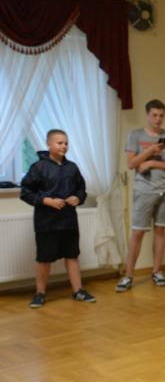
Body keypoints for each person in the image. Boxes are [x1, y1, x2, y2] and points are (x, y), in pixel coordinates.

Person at [19, 129, 96, 308]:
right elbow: (26, 192)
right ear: (49, 144)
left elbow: (81, 189)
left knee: (72, 256)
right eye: (59, 143)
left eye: (66, 143)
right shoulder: (38, 167)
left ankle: (78, 290)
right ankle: (40, 293)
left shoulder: (72, 168)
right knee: (44, 259)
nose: (64, 146)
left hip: (69, 221)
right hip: (46, 222)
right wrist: (46, 201)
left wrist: (78, 198)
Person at [116, 99, 165, 292]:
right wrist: (151, 151)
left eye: (161, 115)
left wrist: (152, 163)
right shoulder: (135, 135)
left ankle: (157, 271)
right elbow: (131, 163)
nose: (158, 119)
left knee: (160, 230)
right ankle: (128, 276)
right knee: (137, 233)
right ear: (148, 115)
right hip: (144, 190)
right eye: (154, 115)